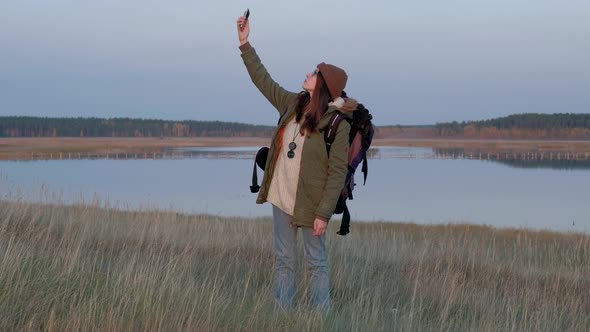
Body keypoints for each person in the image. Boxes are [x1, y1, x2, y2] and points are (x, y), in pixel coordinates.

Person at [236, 14, 357, 312]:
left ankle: (323, 318)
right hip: (281, 196)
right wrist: (244, 44)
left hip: (312, 205)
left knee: (316, 263)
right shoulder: (293, 104)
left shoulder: (336, 123)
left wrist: (323, 213)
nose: (308, 74)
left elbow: (337, 171)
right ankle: (282, 318)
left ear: (324, 85)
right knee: (283, 261)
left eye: (314, 73)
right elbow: (263, 81)